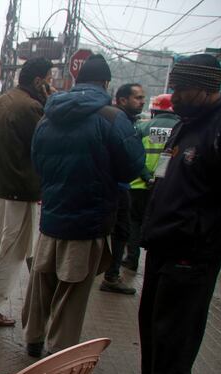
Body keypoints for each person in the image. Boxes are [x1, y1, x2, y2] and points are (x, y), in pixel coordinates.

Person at [106, 54, 221, 374]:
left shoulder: (217, 128)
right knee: (153, 322)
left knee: (177, 332)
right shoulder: (186, 126)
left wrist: (200, 232)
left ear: (206, 88)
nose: (173, 96)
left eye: (180, 88)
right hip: (163, 244)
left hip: (193, 252)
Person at [22, 54, 144, 358]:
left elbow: (37, 162)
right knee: (73, 289)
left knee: (42, 279)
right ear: (105, 83)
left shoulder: (48, 117)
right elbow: (131, 167)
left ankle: (33, 338)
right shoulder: (112, 118)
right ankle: (59, 349)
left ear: (77, 81)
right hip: (90, 217)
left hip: (52, 215)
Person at [0, 58, 53, 328]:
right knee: (11, 251)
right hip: (14, 189)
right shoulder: (30, 107)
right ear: (39, 80)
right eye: (48, 79)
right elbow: (42, 148)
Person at [122, 94, 179, 273]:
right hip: (167, 188)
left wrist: (147, 177)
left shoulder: (142, 126)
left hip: (139, 185)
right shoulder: (181, 129)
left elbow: (134, 155)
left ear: (154, 110)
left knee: (134, 222)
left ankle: (132, 258)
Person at [99, 83, 146, 295]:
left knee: (116, 231)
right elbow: (130, 158)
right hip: (118, 186)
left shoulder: (120, 120)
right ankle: (111, 275)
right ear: (122, 100)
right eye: (137, 97)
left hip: (119, 185)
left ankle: (108, 273)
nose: (142, 101)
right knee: (120, 231)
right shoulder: (119, 121)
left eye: (143, 97)